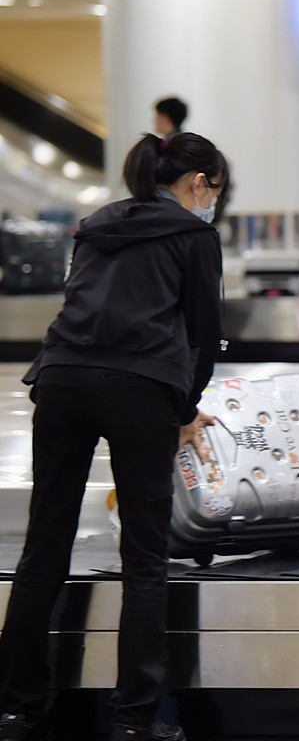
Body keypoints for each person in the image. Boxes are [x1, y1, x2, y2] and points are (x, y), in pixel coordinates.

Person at [0, 132, 228, 741]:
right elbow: (205, 333)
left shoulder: (98, 222)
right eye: (216, 189)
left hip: (63, 380)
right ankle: (134, 718)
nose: (214, 202)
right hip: (141, 387)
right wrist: (187, 405)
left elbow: (83, 302)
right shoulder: (194, 235)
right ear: (198, 183)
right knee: (145, 558)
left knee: (43, 547)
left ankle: (19, 709)